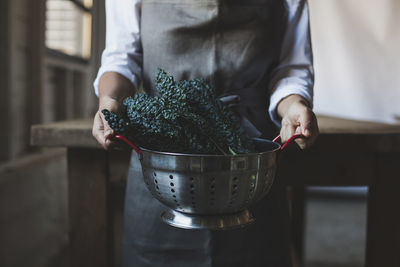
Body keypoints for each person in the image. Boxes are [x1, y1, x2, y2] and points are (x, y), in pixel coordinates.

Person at [92, 0, 319, 266]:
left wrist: (294, 105)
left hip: (249, 157)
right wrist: (110, 102)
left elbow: (291, 68)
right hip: (164, 151)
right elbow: (121, 58)